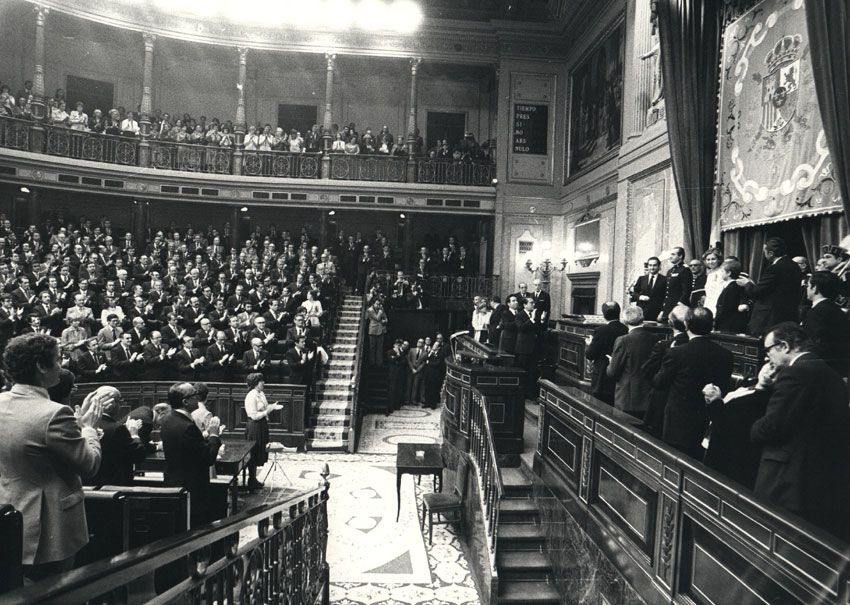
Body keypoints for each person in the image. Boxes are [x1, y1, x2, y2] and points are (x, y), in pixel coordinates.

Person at [0, 336, 104, 582]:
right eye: (58, 359)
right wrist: (88, 429)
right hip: (50, 525)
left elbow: (32, 442)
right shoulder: (55, 413)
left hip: (9, 516)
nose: (61, 365)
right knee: (53, 591)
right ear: (41, 366)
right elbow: (89, 466)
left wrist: (74, 426)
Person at [751, 323, 850, 540]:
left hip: (788, 483)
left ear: (784, 346)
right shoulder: (827, 371)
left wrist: (754, 425)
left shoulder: (796, 373)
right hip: (818, 481)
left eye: (768, 351)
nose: (768, 358)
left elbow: (771, 427)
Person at [652, 308, 733, 459]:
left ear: (686, 324)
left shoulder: (676, 353)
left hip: (679, 425)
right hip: (709, 423)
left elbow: (658, 383)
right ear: (711, 325)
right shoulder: (726, 355)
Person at [702, 363, 774, 490]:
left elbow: (728, 428)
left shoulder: (763, 400)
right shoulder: (748, 385)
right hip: (714, 451)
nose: (771, 372)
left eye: (779, 371)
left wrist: (715, 401)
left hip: (727, 466)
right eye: (770, 365)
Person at [160, 382, 222, 528]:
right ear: (185, 401)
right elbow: (208, 458)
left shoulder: (168, 419)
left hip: (173, 480)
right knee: (194, 528)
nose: (198, 398)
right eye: (194, 395)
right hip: (192, 487)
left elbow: (188, 448)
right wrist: (214, 435)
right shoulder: (187, 426)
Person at [737, 237, 802, 336]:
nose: (764, 254)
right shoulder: (794, 266)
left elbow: (757, 292)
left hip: (771, 317)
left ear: (771, 253)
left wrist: (747, 283)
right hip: (789, 315)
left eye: (765, 252)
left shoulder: (775, 268)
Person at [641, 306, 690, 438]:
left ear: (670, 323)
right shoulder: (694, 345)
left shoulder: (664, 346)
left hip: (661, 405)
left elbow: (647, 371)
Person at [89, 385, 148, 486]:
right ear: (112, 404)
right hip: (114, 485)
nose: (120, 404)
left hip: (88, 483)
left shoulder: (83, 425)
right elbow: (138, 456)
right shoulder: (117, 428)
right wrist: (134, 434)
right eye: (119, 401)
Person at [606, 306, 657, 418]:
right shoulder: (655, 338)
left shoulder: (623, 340)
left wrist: (611, 362)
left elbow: (612, 372)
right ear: (642, 318)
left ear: (624, 321)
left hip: (627, 399)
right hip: (648, 397)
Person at [801, 271, 850, 377]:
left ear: (815, 288)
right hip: (840, 369)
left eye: (808, 285)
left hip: (821, 371)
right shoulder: (836, 309)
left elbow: (815, 345)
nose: (807, 288)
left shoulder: (816, 312)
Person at [243, 372, 282, 489]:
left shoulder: (261, 393)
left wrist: (272, 407)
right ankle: (251, 479)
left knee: (260, 451)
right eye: (261, 381)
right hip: (254, 426)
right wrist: (268, 411)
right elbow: (253, 415)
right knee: (254, 452)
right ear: (256, 383)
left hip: (262, 425)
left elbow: (264, 407)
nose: (263, 383)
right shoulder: (251, 396)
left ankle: (253, 479)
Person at [584, 302, 627, 406]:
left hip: (601, 378)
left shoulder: (601, 330)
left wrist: (589, 345)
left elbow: (590, 354)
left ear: (604, 315)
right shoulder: (625, 329)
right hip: (619, 377)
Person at [713, 259, 749, 334]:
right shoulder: (733, 286)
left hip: (728, 326)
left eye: (722, 271)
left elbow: (725, 308)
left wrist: (716, 323)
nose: (720, 274)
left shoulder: (732, 288)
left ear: (729, 273)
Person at [659, 247, 692, 321]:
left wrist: (679, 305)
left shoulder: (685, 270)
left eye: (673, 254)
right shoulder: (670, 271)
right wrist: (663, 309)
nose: (670, 256)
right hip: (668, 308)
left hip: (678, 308)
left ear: (680, 256)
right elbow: (667, 292)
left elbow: (686, 291)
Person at [630, 256, 666, 321]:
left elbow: (666, 297)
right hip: (641, 314)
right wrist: (640, 297)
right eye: (650, 265)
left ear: (659, 266)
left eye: (654, 265)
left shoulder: (664, 279)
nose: (652, 268)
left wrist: (662, 312)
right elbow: (634, 293)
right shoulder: (641, 279)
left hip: (656, 314)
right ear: (648, 266)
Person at [386, 339, 407, 414]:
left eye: (399, 345)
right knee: (392, 391)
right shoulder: (390, 352)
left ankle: (397, 405)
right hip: (392, 375)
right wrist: (397, 356)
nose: (398, 346)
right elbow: (391, 360)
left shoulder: (402, 353)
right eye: (397, 344)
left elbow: (404, 362)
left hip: (400, 375)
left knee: (399, 390)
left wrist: (397, 358)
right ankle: (390, 407)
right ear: (394, 345)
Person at [365, 299, 387, 366]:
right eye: (377, 304)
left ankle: (379, 363)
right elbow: (377, 318)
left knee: (379, 348)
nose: (378, 305)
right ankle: (372, 363)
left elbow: (385, 317)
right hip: (373, 330)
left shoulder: (381, 309)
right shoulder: (370, 310)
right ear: (373, 304)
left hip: (380, 330)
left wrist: (385, 320)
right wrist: (381, 312)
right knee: (372, 347)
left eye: (379, 304)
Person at [406, 337, 427, 406]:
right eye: (418, 341)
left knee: (416, 385)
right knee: (409, 385)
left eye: (421, 342)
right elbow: (409, 360)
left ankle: (413, 400)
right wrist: (412, 369)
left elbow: (423, 363)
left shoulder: (425, 353)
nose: (419, 343)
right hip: (410, 370)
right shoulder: (412, 350)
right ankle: (407, 400)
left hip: (418, 372)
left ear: (423, 344)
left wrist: (417, 370)